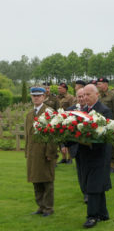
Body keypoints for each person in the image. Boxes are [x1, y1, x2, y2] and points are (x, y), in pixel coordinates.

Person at [78, 84, 113, 228]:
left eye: (88, 94)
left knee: (93, 185)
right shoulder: (82, 111)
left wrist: (91, 142)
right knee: (93, 183)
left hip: (99, 154)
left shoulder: (104, 111)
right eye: (83, 95)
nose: (85, 97)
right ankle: (103, 213)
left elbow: (108, 134)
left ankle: (92, 216)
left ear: (96, 95)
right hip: (85, 155)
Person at [25, 87, 57, 217]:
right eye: (34, 96)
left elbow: (53, 136)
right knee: (35, 180)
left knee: (47, 180)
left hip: (45, 153)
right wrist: (27, 151)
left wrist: (51, 153)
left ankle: (48, 208)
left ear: (44, 97)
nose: (36, 98)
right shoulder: (29, 114)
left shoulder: (49, 112)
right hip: (33, 153)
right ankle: (41, 206)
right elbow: (28, 135)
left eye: (39, 95)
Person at [64, 88, 88, 204]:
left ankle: (91, 192)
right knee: (81, 171)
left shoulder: (91, 110)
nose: (82, 98)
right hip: (76, 147)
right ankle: (85, 193)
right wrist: (64, 145)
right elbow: (64, 129)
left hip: (90, 147)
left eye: (83, 96)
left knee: (89, 170)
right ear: (76, 98)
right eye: (79, 96)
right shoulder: (70, 110)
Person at [97, 77, 114, 173]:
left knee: (111, 145)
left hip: (110, 123)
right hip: (99, 124)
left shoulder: (113, 95)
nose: (98, 86)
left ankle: (112, 165)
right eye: (97, 84)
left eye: (100, 84)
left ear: (106, 85)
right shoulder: (97, 95)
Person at [57, 82, 75, 164]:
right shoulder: (57, 98)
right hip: (59, 120)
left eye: (60, 88)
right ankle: (63, 157)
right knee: (61, 139)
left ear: (65, 89)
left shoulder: (70, 97)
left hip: (67, 120)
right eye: (58, 88)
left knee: (68, 139)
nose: (58, 89)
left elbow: (72, 108)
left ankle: (69, 158)